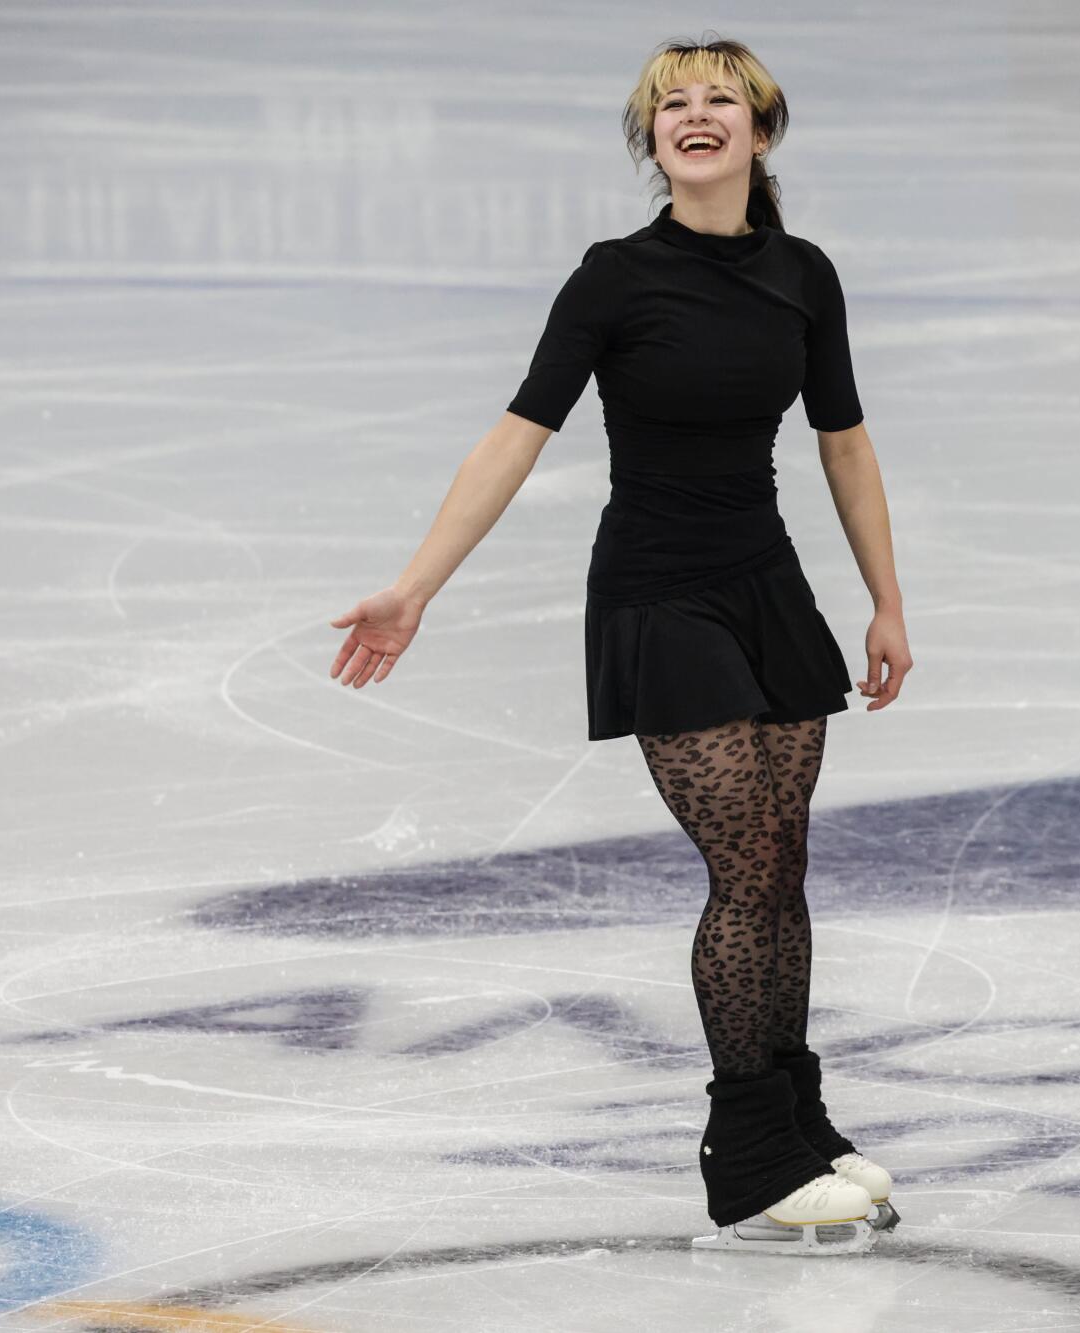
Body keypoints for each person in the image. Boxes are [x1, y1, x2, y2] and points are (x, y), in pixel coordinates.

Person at [326, 35, 911, 1256]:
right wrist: (413, 588)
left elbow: (842, 441)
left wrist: (884, 600)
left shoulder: (805, 274)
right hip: (656, 593)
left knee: (782, 861)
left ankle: (796, 1119)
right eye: (669, 107)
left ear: (760, 131)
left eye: (719, 102)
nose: (693, 118)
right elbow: (514, 435)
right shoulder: (613, 279)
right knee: (746, 858)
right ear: (652, 141)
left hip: (767, 585)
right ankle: (746, 1158)